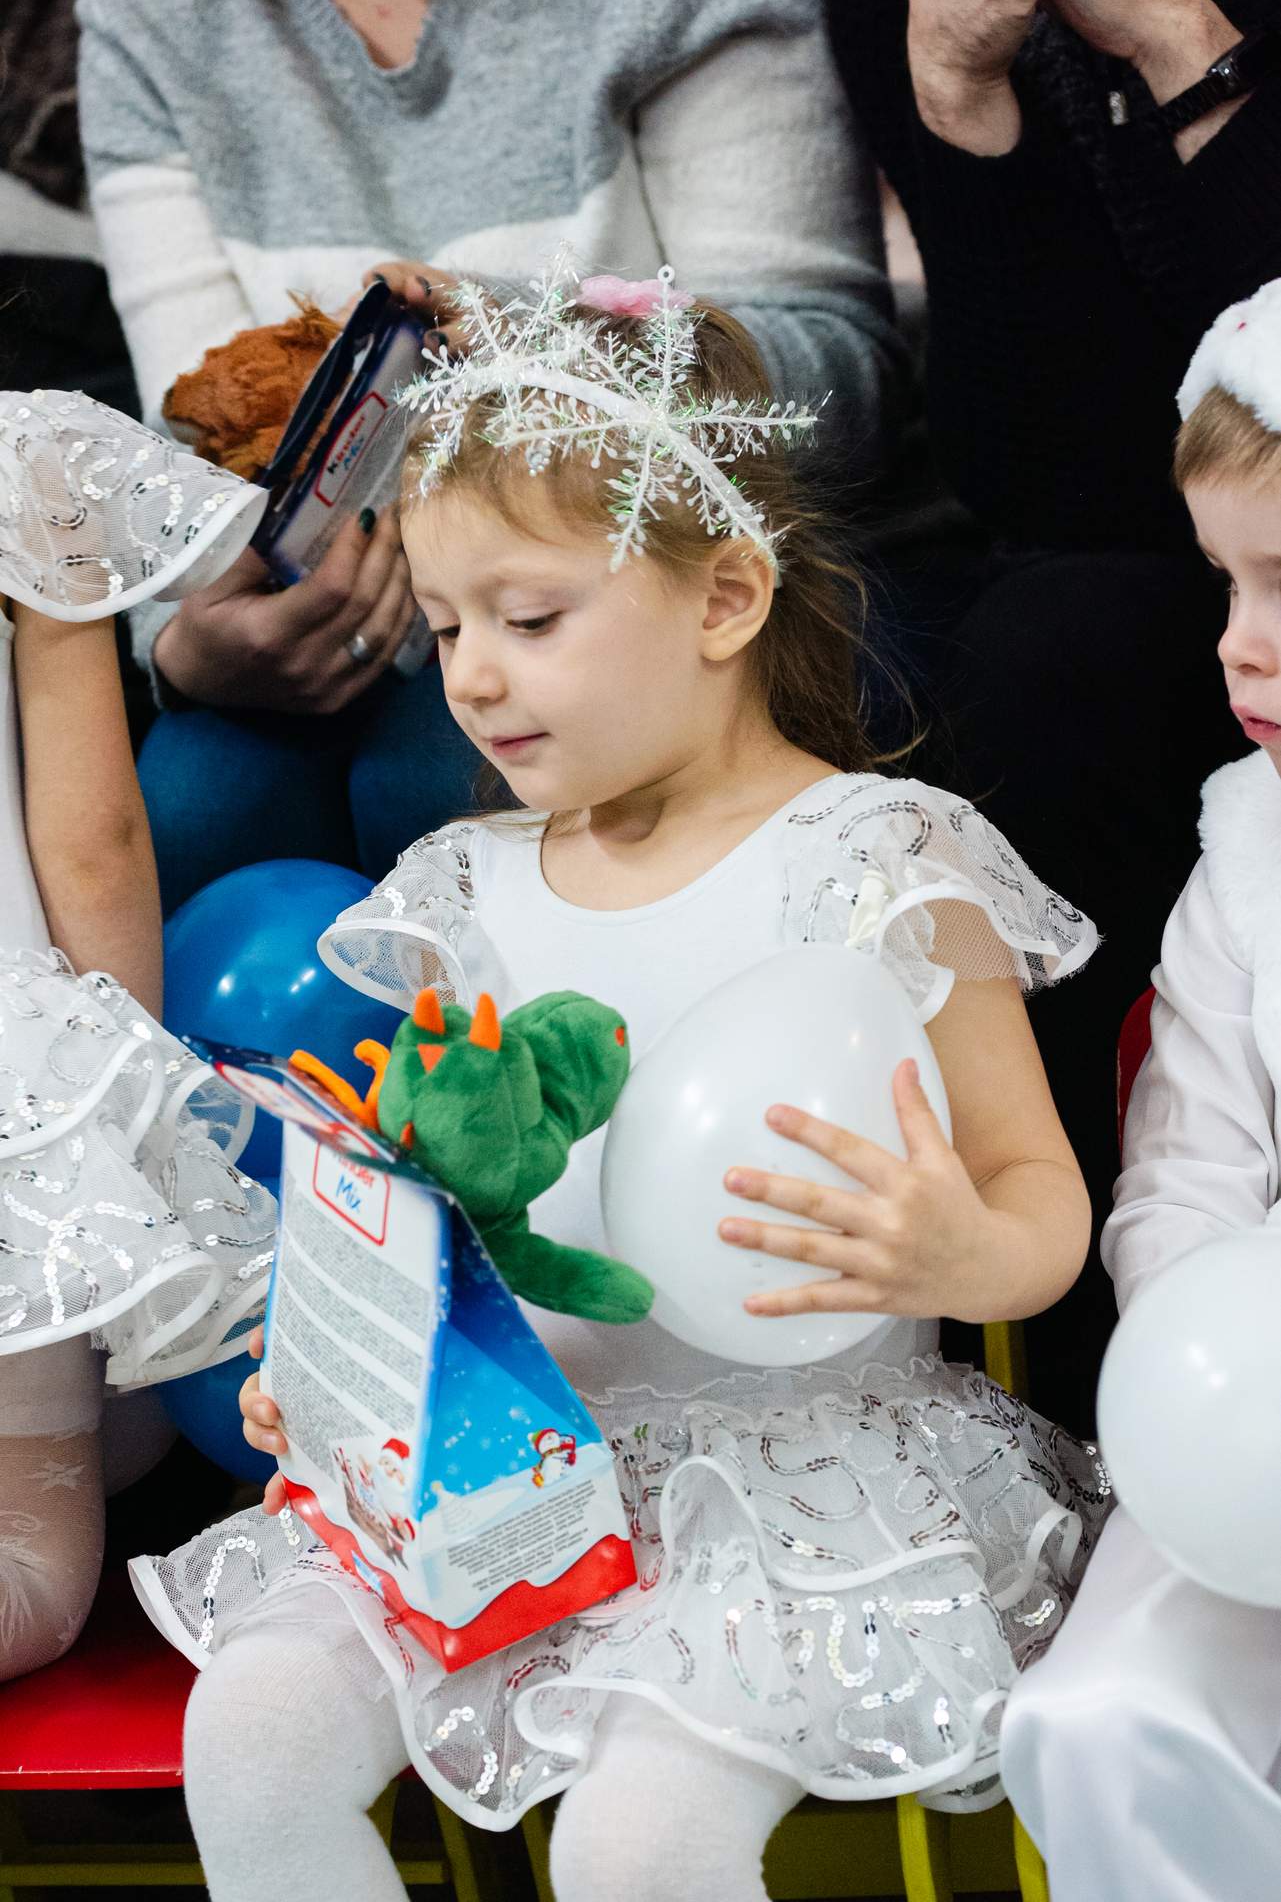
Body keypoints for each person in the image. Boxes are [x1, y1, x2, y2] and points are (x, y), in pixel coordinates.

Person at [128, 267, 1110, 1902]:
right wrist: (341, 1370)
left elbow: (1042, 1204)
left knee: (638, 1845)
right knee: (252, 1732)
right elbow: (431, 1213)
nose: (472, 679)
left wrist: (963, 1253)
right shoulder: (460, 888)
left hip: (797, 1496)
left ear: (723, 600)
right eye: (448, 629)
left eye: (529, 621)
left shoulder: (877, 859)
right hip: (510, 1470)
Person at [74, 0, 904, 912]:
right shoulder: (153, 12)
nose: (465, 678)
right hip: (330, 611)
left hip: (630, 566)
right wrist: (182, 647)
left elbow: (836, 384)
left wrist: (541, 342)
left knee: (446, 789)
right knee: (192, 811)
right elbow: (190, 438)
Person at [827, 0, 1281, 1432]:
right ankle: (1079, 1358)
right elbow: (1040, 480)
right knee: (1040, 657)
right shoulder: (902, 5)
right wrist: (964, 107)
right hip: (1155, 561)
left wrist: (1183, 48)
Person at [999, 280, 1281, 1901]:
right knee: (1100, 1717)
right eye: (1225, 579)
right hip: (1260, 1407)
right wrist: (1218, 1379)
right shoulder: (1244, 846)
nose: (1237, 641)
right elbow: (1180, 1174)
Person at [0, 389, 282, 1681]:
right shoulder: (24, 460)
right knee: (32, 1566)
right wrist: (124, 1124)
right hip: (19, 1126)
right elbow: (93, 845)